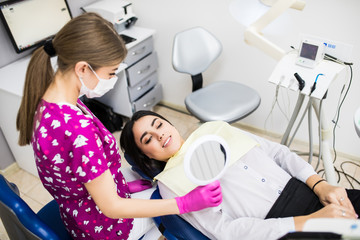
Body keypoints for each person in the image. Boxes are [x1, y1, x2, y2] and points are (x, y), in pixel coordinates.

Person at [16, 13, 222, 240]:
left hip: (79, 211)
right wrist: (184, 203)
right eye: (111, 72)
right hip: (104, 229)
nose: (113, 78)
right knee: (172, 213)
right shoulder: (77, 130)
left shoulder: (48, 100)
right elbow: (112, 208)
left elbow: (78, 172)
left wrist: (120, 186)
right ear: (82, 69)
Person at [120, 110, 360, 240]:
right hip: (277, 228)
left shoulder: (214, 129)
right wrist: (304, 223)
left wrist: (320, 184)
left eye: (158, 125)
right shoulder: (170, 184)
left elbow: (277, 153)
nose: (159, 134)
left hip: (308, 190)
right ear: (146, 155)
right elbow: (225, 231)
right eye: (148, 138)